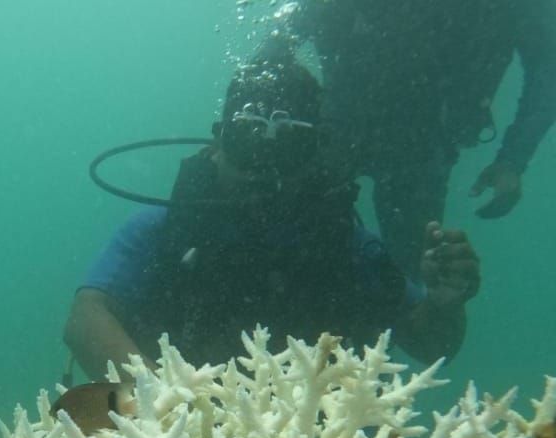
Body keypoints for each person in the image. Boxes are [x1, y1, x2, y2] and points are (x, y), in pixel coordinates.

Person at [63, 62, 480, 380]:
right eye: (246, 140)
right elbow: (85, 318)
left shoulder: (347, 247)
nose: (262, 166)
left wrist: (444, 303)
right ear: (218, 142)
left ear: (314, 154)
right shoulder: (162, 231)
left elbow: (433, 346)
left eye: (289, 145)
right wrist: (168, 408)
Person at [256, 0, 556, 275]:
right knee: (289, 253)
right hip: (363, 132)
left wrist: (513, 159)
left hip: (412, 143)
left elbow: (547, 68)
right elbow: (283, 36)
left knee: (411, 278)